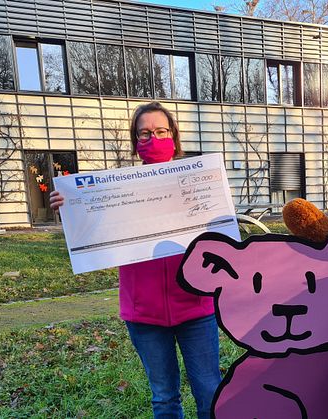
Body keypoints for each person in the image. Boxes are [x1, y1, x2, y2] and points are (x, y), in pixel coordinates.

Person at [50, 102, 221, 419]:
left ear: (173, 136)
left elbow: (217, 233)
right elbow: (93, 232)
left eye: (160, 131)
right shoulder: (116, 189)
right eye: (144, 133)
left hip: (196, 306)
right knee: (164, 399)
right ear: (135, 141)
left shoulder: (198, 181)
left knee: (210, 392)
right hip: (144, 313)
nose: (153, 139)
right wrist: (71, 208)